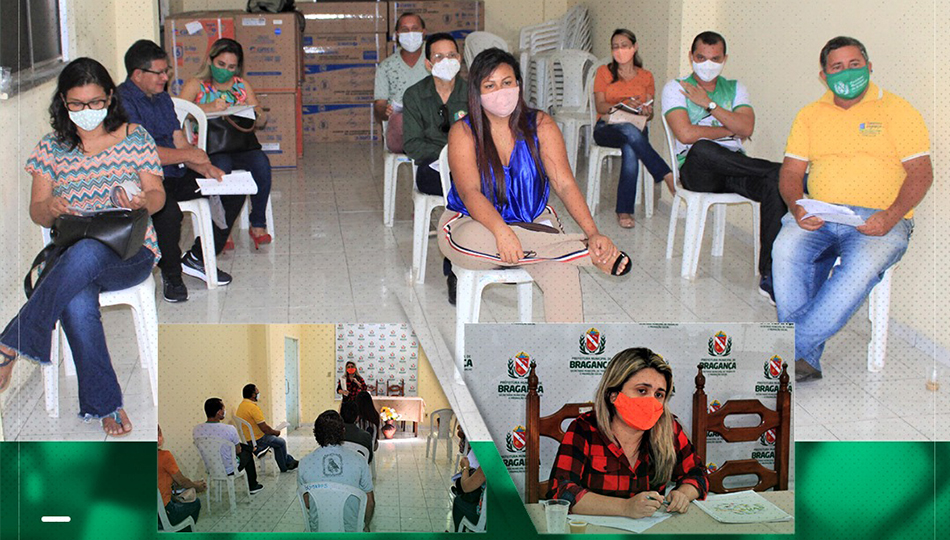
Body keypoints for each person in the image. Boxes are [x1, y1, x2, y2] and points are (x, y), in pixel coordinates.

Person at [0, 57, 164, 437]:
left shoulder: (135, 136)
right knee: (76, 292)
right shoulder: (51, 148)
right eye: (76, 104)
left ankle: (11, 341)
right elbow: (38, 213)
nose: (86, 112)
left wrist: (141, 201)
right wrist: (51, 207)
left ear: (109, 97)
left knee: (87, 254)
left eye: (94, 103)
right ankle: (104, 403)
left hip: (131, 251)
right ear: (63, 102)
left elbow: (158, 195)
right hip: (72, 253)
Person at [773, 37, 932, 382]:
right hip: (819, 212)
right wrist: (797, 206)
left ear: (869, 67)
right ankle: (805, 358)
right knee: (785, 250)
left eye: (855, 64)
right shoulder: (810, 115)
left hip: (881, 219)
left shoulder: (898, 110)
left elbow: (922, 173)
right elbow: (790, 172)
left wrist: (890, 216)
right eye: (837, 67)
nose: (847, 72)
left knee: (858, 270)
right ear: (824, 75)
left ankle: (781, 352)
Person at [437, 48, 631, 323]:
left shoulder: (540, 124)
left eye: (507, 82)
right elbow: (470, 192)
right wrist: (501, 231)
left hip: (532, 224)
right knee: (470, 242)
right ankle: (582, 250)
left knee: (563, 272)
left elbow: (563, 184)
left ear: (518, 84)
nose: (500, 91)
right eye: (489, 86)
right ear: (476, 93)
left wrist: (593, 231)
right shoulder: (463, 131)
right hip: (475, 226)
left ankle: (564, 361)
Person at [661, 31, 785, 301]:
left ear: (724, 59)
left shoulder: (736, 88)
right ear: (691, 57)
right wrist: (729, 129)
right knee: (704, 148)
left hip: (736, 169)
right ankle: (783, 171)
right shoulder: (676, 88)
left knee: (774, 183)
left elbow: (747, 126)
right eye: (701, 57)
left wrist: (710, 105)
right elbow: (685, 135)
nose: (707, 64)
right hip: (698, 170)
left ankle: (770, 275)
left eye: (715, 58)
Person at [118, 39, 244, 302]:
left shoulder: (163, 98)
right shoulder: (123, 103)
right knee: (168, 213)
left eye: (167, 72)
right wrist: (188, 154)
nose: (165, 78)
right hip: (144, 181)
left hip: (175, 171)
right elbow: (143, 155)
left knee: (231, 188)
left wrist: (204, 166)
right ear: (138, 74)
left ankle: (198, 257)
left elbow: (178, 139)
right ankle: (172, 275)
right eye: (160, 73)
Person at [547, 348, 708, 517]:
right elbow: (561, 490)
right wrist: (625, 508)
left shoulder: (668, 428)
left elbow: (697, 473)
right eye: (642, 391)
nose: (651, 402)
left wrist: (683, 494)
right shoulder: (584, 428)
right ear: (613, 395)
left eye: (659, 394)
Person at [178, 38, 273, 249]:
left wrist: (256, 112)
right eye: (221, 65)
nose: (226, 71)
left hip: (240, 145)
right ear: (210, 60)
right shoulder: (196, 85)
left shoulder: (242, 86)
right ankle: (222, 227)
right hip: (209, 148)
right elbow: (177, 114)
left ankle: (258, 222)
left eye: (231, 67)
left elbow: (261, 120)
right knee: (222, 171)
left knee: (261, 165)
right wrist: (208, 108)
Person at [403, 32, 469, 303]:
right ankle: (454, 270)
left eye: (451, 55)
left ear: (460, 59)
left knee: (477, 187)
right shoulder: (415, 95)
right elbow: (412, 145)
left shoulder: (473, 92)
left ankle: (474, 258)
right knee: (464, 192)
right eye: (439, 57)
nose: (446, 61)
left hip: (468, 166)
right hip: (432, 169)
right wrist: (447, 155)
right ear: (429, 64)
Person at [592, 29, 674, 229]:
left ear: (634, 47)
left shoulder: (646, 76)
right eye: (615, 47)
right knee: (629, 132)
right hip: (607, 127)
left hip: (636, 128)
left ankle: (624, 210)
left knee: (631, 144)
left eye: (624, 46)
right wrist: (622, 103)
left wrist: (646, 110)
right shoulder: (604, 72)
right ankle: (664, 173)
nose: (620, 50)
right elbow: (600, 106)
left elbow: (650, 113)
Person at [298, 410, 375, 532]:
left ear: (315, 434)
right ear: (343, 432)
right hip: (351, 531)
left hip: (318, 531)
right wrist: (365, 525)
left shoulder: (304, 463)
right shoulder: (359, 461)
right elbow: (370, 502)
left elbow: (308, 503)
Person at [373, 12, 429, 152]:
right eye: (405, 30)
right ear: (397, 34)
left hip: (431, 125)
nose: (410, 33)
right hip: (400, 131)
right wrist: (385, 111)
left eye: (415, 29)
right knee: (400, 120)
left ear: (423, 32)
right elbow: (379, 106)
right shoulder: (386, 67)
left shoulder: (434, 61)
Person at [193, 397, 263, 494]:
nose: (224, 411)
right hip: (229, 468)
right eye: (223, 409)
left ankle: (254, 449)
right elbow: (238, 451)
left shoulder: (197, 429)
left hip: (211, 467)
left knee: (238, 446)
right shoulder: (229, 429)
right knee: (246, 454)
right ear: (219, 412)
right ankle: (253, 485)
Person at [236, 383, 298, 472]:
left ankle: (290, 461)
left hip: (248, 438)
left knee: (276, 441)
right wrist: (276, 432)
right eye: (257, 391)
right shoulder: (253, 408)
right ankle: (285, 466)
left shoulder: (242, 406)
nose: (259, 393)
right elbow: (265, 429)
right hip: (258, 439)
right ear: (253, 395)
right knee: (281, 442)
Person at [158, 424, 207, 532]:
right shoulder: (164, 456)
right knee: (196, 503)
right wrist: (197, 487)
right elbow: (182, 481)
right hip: (164, 515)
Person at [451, 429, 485, 531]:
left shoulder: (489, 463)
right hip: (510, 514)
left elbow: (466, 487)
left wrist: (465, 467)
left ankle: (458, 533)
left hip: (489, 517)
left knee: (458, 501)